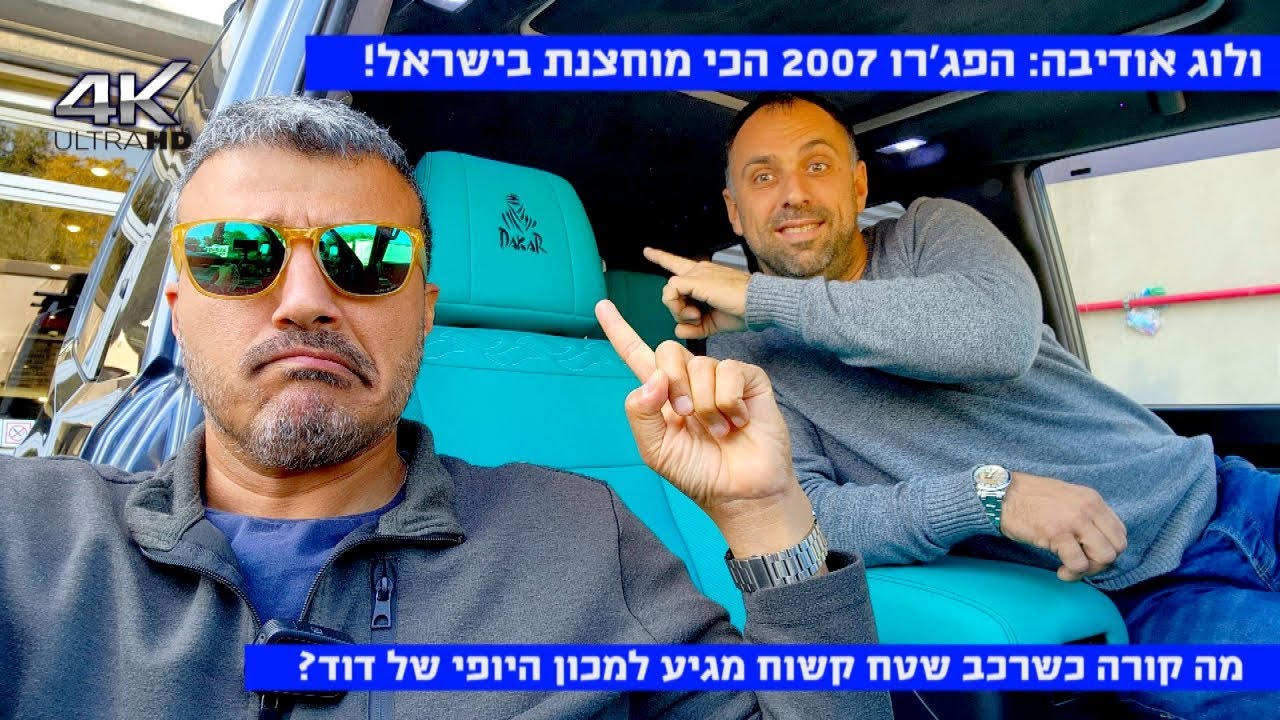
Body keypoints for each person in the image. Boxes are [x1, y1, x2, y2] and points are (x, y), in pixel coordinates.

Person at [0, 96, 891, 720]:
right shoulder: (26, 537)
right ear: (178, 305)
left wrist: (766, 515)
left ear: (424, 310)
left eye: (367, 256)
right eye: (237, 252)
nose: (304, 301)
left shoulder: (583, 534)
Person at [645, 91, 1280, 720]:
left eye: (817, 165)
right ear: (734, 211)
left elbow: (997, 334)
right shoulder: (738, 363)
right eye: (763, 177)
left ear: (858, 186)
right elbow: (807, 519)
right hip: (1130, 596)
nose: (793, 194)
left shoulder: (929, 232)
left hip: (1230, 493)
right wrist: (986, 497)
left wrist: (765, 299)